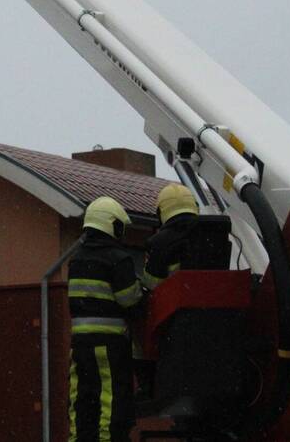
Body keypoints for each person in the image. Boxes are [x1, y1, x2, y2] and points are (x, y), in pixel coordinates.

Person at [67, 196, 142, 442]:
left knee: (82, 398)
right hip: (109, 345)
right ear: (112, 225)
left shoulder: (76, 259)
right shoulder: (118, 258)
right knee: (111, 399)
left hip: (80, 344)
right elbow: (129, 300)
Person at [142, 184, 200, 291]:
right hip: (219, 299)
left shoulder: (158, 242)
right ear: (195, 206)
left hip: (180, 302)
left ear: (160, 213)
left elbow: (152, 285)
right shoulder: (214, 229)